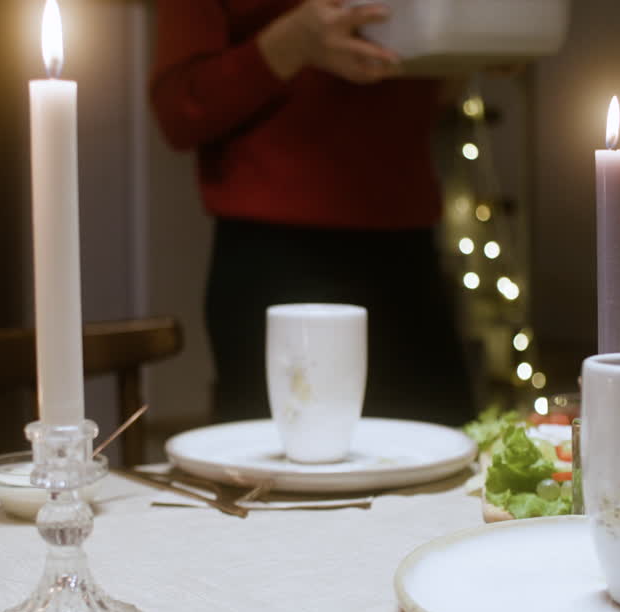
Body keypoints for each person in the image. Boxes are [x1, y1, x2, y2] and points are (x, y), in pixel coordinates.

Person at [151, 0, 476, 428]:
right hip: (275, 252)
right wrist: (292, 42)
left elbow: (431, 89)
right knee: (281, 468)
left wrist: (478, 44)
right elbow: (180, 109)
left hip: (406, 237)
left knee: (443, 454)